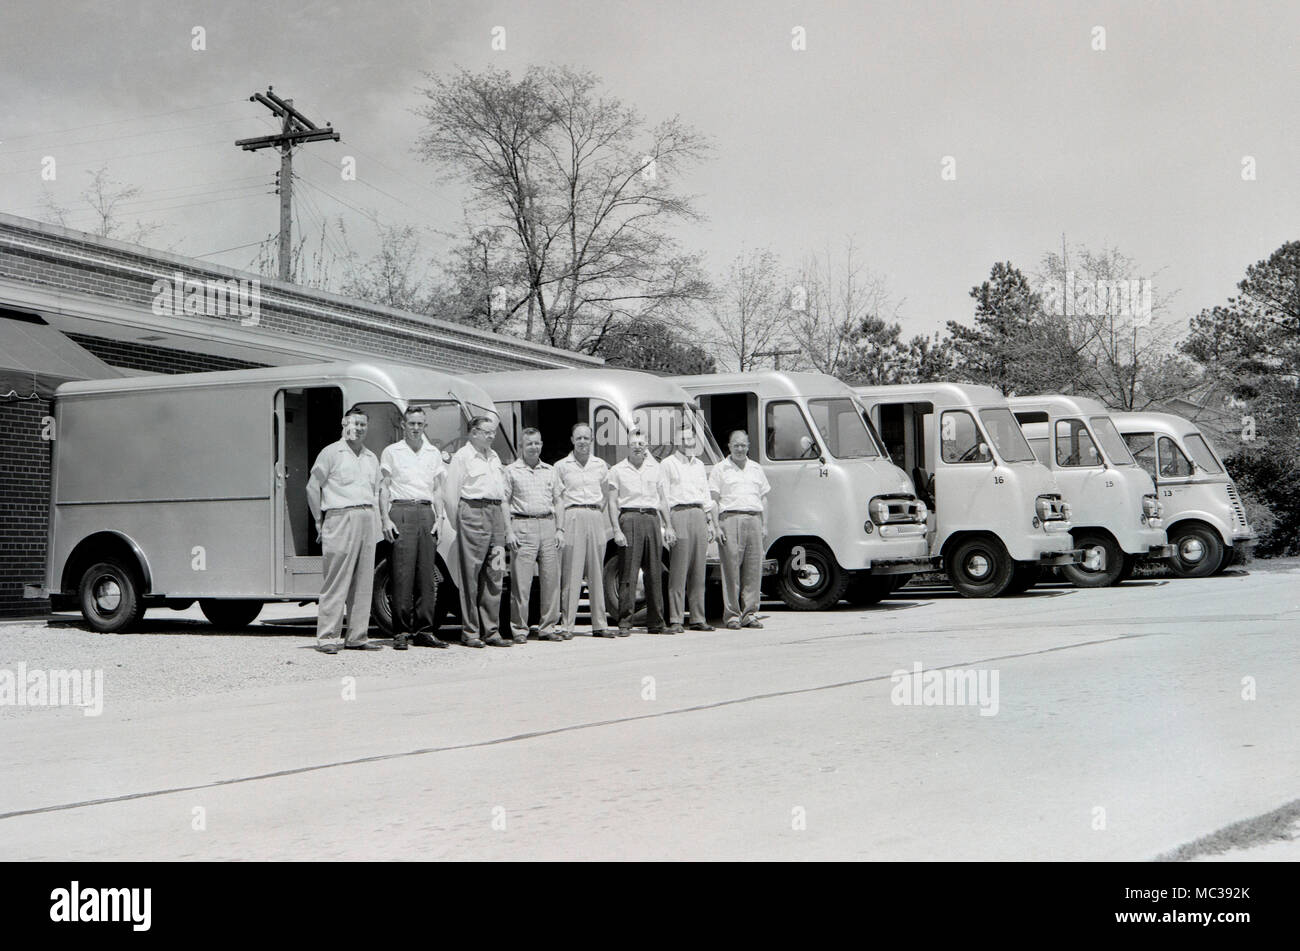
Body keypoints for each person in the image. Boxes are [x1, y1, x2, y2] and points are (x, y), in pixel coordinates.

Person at [306, 406, 383, 653]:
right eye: (354, 424)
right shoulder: (331, 453)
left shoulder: (371, 457)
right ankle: (327, 637)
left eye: (363, 425)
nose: (358, 429)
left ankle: (357, 636)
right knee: (337, 578)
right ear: (343, 424)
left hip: (367, 517)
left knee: (363, 580)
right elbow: (312, 487)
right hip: (340, 517)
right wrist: (318, 520)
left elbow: (377, 491)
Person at [379, 405, 449, 651]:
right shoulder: (392, 452)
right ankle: (400, 631)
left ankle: (424, 631)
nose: (416, 428)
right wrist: (385, 519)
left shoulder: (433, 453)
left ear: (425, 426)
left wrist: (439, 519)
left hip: (426, 512)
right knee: (402, 573)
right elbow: (385, 486)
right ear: (403, 425)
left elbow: (438, 489)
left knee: (426, 575)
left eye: (420, 424)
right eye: (412, 424)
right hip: (401, 511)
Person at [443, 415, 510, 648]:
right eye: (487, 431)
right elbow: (451, 496)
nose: (491, 436)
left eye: (493, 432)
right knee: (470, 575)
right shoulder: (462, 457)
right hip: (472, 512)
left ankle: (492, 631)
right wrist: (459, 523)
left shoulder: (494, 457)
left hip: (496, 515)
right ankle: (470, 631)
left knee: (496, 573)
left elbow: (501, 493)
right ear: (473, 432)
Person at [605, 430, 675, 635]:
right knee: (628, 572)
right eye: (634, 443)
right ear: (628, 445)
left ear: (647, 445)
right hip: (629, 518)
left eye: (641, 443)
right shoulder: (618, 470)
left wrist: (668, 525)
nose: (638, 446)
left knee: (655, 572)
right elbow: (611, 502)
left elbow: (662, 500)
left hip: (652, 519)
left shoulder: (656, 469)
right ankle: (625, 622)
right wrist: (616, 529)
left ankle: (656, 622)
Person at [554, 423, 615, 638]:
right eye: (578, 438)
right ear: (572, 440)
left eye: (586, 438)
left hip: (595, 515)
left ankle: (600, 624)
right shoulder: (561, 466)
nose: (582, 442)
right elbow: (558, 498)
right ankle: (567, 626)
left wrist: (596, 511)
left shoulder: (600, 465)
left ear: (591, 440)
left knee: (597, 572)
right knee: (572, 572)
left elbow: (606, 495)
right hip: (572, 516)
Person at [503, 428, 564, 644]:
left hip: (548, 525)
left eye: (537, 443)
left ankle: (548, 627)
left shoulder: (550, 470)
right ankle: (520, 629)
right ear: (521, 446)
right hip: (522, 524)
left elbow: (558, 501)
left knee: (551, 580)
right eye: (529, 444)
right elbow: (504, 501)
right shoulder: (511, 471)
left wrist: (560, 529)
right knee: (521, 582)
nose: (534, 447)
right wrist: (508, 531)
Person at [709, 429, 770, 630]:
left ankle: (750, 614)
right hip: (730, 518)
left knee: (753, 570)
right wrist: (716, 526)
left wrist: (764, 525)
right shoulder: (720, 469)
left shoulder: (756, 468)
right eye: (736, 445)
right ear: (729, 446)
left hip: (753, 519)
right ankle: (732, 615)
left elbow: (764, 498)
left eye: (743, 445)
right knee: (731, 570)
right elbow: (714, 500)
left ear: (748, 446)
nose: (740, 449)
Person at [661, 424, 717, 633]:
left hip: (698, 514)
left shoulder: (699, 465)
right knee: (679, 570)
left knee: (698, 569)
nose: (688, 443)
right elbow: (664, 498)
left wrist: (710, 522)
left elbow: (706, 496)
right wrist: (668, 526)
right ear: (677, 441)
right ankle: (676, 618)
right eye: (683, 439)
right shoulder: (668, 464)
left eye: (691, 439)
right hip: (679, 514)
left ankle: (697, 617)